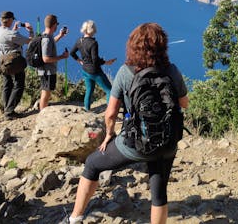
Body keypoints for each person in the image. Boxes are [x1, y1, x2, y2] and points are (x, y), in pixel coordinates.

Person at [68, 22, 189, 224]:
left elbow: (110, 113)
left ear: (133, 45)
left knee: (92, 164)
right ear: (162, 45)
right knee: (159, 193)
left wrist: (109, 135)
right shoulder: (172, 71)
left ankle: (75, 218)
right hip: (167, 143)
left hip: (135, 144)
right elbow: (184, 104)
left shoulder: (126, 72)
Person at [0, 11, 33, 120]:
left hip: (2, 62)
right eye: (12, 19)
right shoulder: (12, 34)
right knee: (19, 84)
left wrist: (13, 30)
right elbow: (30, 41)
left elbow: (7, 42)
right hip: (14, 62)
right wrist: (31, 31)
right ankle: (10, 112)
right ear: (9, 20)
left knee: (7, 84)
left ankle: (6, 108)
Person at [70, 20, 116, 111]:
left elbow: (72, 53)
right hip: (95, 71)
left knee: (89, 90)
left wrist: (79, 60)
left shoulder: (79, 41)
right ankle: (110, 111)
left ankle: (86, 110)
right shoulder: (93, 43)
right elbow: (95, 60)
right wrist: (107, 62)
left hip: (85, 70)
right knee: (109, 90)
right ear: (93, 30)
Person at [37, 14, 69, 110]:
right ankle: (42, 115)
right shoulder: (47, 39)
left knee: (46, 92)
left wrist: (60, 35)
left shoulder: (46, 36)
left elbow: (51, 42)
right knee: (45, 94)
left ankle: (43, 111)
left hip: (46, 71)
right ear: (54, 25)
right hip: (47, 71)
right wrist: (62, 57)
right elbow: (46, 59)